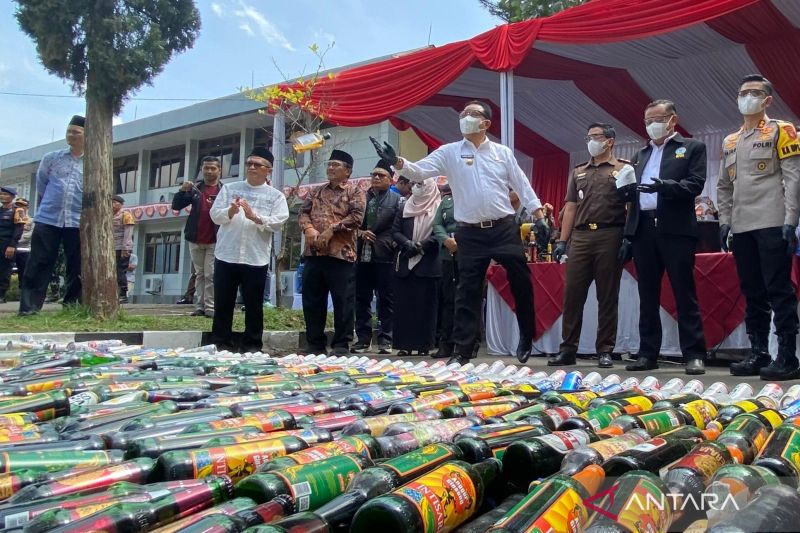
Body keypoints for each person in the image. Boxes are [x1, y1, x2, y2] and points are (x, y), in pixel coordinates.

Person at [377, 100, 544, 365]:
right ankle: (462, 350)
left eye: (472, 114)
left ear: (486, 123)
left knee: (521, 281)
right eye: (463, 114)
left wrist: (538, 214)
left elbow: (521, 184)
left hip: (503, 227)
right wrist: (397, 162)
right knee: (466, 291)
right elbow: (420, 170)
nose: (465, 117)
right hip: (469, 233)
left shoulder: (502, 152)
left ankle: (526, 335)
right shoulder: (449, 152)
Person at [718, 74, 800, 380]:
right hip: (741, 225)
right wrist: (724, 221)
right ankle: (758, 352)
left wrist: (791, 220)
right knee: (752, 291)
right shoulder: (730, 140)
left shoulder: (783, 130)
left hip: (773, 221)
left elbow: (793, 177)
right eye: (742, 93)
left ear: (767, 100)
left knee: (779, 290)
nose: (746, 98)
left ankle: (788, 356)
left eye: (753, 93)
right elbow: (724, 186)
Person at [620, 100, 707, 375]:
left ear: (672, 120)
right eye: (647, 120)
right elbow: (634, 196)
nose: (652, 125)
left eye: (657, 119)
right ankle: (648, 353)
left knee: (684, 292)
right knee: (647, 294)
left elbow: (695, 184)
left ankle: (694, 354)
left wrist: (665, 187)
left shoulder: (692, 147)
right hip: (643, 229)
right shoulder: (640, 154)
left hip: (675, 228)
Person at [550, 123, 632, 369]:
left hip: (611, 233)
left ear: (609, 141)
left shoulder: (623, 168)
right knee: (572, 295)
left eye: (597, 137)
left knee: (607, 295)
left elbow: (630, 206)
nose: (592, 141)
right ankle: (568, 349)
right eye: (589, 137)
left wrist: (628, 238)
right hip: (581, 237)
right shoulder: (578, 172)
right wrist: (562, 241)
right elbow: (571, 207)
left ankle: (605, 350)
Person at [208, 146, 289, 353]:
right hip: (227, 253)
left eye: (257, 164)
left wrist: (255, 217)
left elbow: (279, 221)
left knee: (254, 304)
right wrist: (230, 210)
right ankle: (220, 343)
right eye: (249, 163)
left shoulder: (275, 196)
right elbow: (215, 214)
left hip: (255, 256)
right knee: (223, 302)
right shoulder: (229, 189)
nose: (251, 167)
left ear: (268, 170)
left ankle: (252, 345)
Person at [299, 149, 366, 356]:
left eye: (335, 165)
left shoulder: (355, 192)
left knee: (343, 301)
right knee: (312, 300)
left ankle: (340, 344)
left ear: (348, 170)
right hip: (314, 253)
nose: (330, 168)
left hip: (341, 255)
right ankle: (315, 344)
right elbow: (303, 212)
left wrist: (332, 229)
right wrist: (309, 229)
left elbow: (357, 218)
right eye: (329, 164)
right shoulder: (316, 191)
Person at [19, 115, 84, 315]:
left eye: (76, 132)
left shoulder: (94, 162)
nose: (70, 135)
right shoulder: (52, 158)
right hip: (48, 219)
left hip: (77, 221)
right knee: (39, 262)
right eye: (69, 131)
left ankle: (72, 306)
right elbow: (42, 185)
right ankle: (29, 308)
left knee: (77, 264)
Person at [352, 160, 402, 354]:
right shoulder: (361, 198)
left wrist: (390, 243)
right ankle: (363, 339)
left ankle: (385, 339)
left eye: (381, 175)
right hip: (362, 253)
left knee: (386, 299)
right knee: (361, 298)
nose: (376, 178)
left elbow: (399, 228)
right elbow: (351, 223)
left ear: (391, 180)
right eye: (374, 174)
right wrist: (360, 233)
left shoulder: (398, 201)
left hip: (385, 254)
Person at [392, 178, 442, 356]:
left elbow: (440, 233)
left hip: (428, 263)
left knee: (426, 307)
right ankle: (404, 345)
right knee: (404, 306)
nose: (416, 188)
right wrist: (408, 244)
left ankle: (424, 345)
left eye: (420, 184)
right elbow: (395, 230)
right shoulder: (405, 206)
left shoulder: (439, 207)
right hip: (405, 260)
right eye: (414, 184)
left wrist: (421, 246)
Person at [172, 156, 223, 317]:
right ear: (202, 169)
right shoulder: (195, 189)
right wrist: (182, 191)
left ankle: (211, 307)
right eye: (206, 168)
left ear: (219, 170)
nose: (209, 171)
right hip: (195, 238)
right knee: (199, 274)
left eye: (213, 168)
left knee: (211, 274)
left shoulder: (225, 190)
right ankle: (199, 306)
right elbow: (176, 206)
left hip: (215, 239)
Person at [432, 180, 458, 358]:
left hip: (470, 251)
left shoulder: (474, 199)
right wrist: (445, 239)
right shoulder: (446, 202)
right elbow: (437, 224)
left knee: (468, 299)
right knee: (448, 299)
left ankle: (468, 343)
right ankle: (446, 344)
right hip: (448, 253)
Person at [0, 187, 24, 304]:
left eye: (5, 194)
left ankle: (1, 295)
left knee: (5, 269)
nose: (2, 196)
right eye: (1, 194)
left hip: (7, 244)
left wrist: (12, 245)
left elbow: (18, 229)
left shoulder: (17, 210)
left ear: (12, 197)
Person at [111, 195, 135, 303]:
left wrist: (126, 248)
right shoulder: (109, 215)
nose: (112, 205)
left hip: (122, 247)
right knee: (112, 270)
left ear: (120, 204)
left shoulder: (126, 215)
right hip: (111, 246)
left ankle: (123, 293)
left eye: (114, 202)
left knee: (120, 270)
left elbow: (128, 233)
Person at [13, 198, 32, 284]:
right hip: (9, 250)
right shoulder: (11, 219)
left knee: (24, 274)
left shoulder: (31, 221)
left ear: (27, 207)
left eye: (22, 205)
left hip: (24, 250)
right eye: (17, 205)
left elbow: (28, 236)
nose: (19, 207)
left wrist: (13, 240)